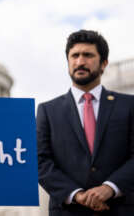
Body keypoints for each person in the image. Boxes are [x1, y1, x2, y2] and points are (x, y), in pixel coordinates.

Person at [37, 29, 134, 215]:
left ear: (104, 64)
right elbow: (40, 162)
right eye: (74, 56)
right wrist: (77, 195)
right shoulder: (48, 111)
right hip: (69, 210)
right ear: (68, 62)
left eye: (88, 55)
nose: (80, 61)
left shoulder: (129, 105)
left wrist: (110, 188)